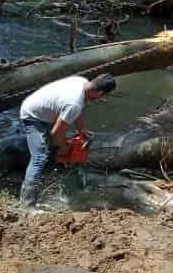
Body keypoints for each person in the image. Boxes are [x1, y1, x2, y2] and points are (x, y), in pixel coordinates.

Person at [18, 73, 116, 206]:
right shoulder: (73, 103)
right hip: (32, 115)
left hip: (45, 109)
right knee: (39, 156)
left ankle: (57, 174)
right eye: (104, 95)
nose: (103, 98)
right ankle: (27, 202)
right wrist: (65, 150)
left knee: (57, 145)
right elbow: (56, 132)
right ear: (99, 92)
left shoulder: (81, 81)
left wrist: (81, 131)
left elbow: (79, 110)